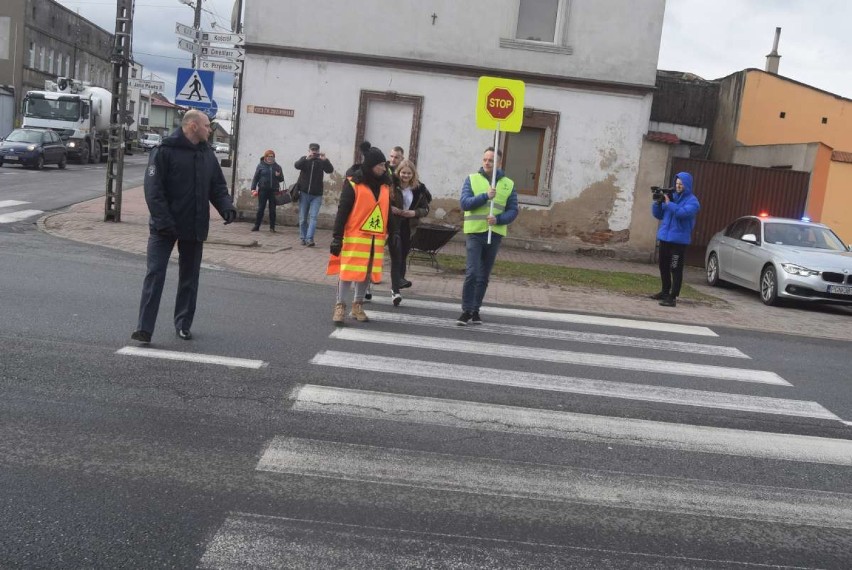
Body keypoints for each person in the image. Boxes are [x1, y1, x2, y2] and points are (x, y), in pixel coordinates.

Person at [130, 109, 237, 343]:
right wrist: (164, 222)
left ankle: (183, 324)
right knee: (155, 274)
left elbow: (217, 186)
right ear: (193, 126)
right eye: (207, 125)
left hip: (194, 225)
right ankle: (144, 328)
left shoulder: (207, 154)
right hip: (163, 228)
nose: (210, 129)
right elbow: (153, 191)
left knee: (189, 277)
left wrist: (226, 207)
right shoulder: (164, 151)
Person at [327, 143, 396, 325]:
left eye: (384, 165)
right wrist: (337, 237)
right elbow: (343, 210)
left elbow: (387, 211)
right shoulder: (353, 183)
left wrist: (394, 232)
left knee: (366, 273)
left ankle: (357, 305)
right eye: (380, 165)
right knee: (348, 273)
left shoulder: (384, 186)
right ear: (370, 165)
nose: (383, 168)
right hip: (355, 237)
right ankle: (340, 306)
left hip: (375, 239)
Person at [457, 147, 518, 326]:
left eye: (491, 160)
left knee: (484, 276)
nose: (487, 162)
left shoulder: (508, 184)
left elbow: (513, 210)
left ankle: (476, 310)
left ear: (499, 163)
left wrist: (498, 219)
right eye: (485, 159)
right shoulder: (472, 179)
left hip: (495, 233)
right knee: (472, 272)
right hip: (475, 232)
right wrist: (485, 196)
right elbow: (465, 203)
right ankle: (466, 310)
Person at [650, 171, 700, 308]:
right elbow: (658, 215)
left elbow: (681, 213)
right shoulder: (671, 197)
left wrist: (668, 203)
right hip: (665, 238)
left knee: (675, 268)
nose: (678, 186)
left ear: (687, 185)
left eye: (681, 184)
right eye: (677, 184)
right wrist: (657, 203)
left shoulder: (693, 201)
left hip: (678, 241)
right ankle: (665, 292)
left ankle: (673, 297)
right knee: (663, 266)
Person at [389, 158, 432, 306]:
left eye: (408, 173)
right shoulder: (392, 186)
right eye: (403, 172)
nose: (405, 175)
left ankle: (399, 281)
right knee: (397, 254)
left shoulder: (418, 189)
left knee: (404, 254)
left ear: (413, 174)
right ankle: (396, 290)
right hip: (394, 224)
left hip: (409, 225)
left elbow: (425, 209)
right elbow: (382, 202)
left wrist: (414, 213)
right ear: (398, 172)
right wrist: (391, 209)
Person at [294, 143, 334, 246]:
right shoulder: (305, 159)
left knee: (313, 217)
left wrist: (325, 160)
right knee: (303, 218)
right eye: (312, 149)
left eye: (316, 150)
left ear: (319, 150)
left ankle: (309, 239)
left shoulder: (321, 161)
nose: (314, 151)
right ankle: (303, 237)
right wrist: (307, 158)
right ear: (309, 150)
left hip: (317, 195)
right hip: (304, 193)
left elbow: (330, 170)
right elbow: (297, 166)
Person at [250, 149, 285, 232]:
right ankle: (257, 226)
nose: (270, 158)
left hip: (274, 191)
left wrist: (278, 175)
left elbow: (281, 179)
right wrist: (253, 188)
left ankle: (272, 227)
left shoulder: (277, 166)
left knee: (272, 209)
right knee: (261, 208)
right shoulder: (260, 166)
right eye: (269, 156)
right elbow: (256, 178)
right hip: (263, 190)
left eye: (272, 156)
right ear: (265, 157)